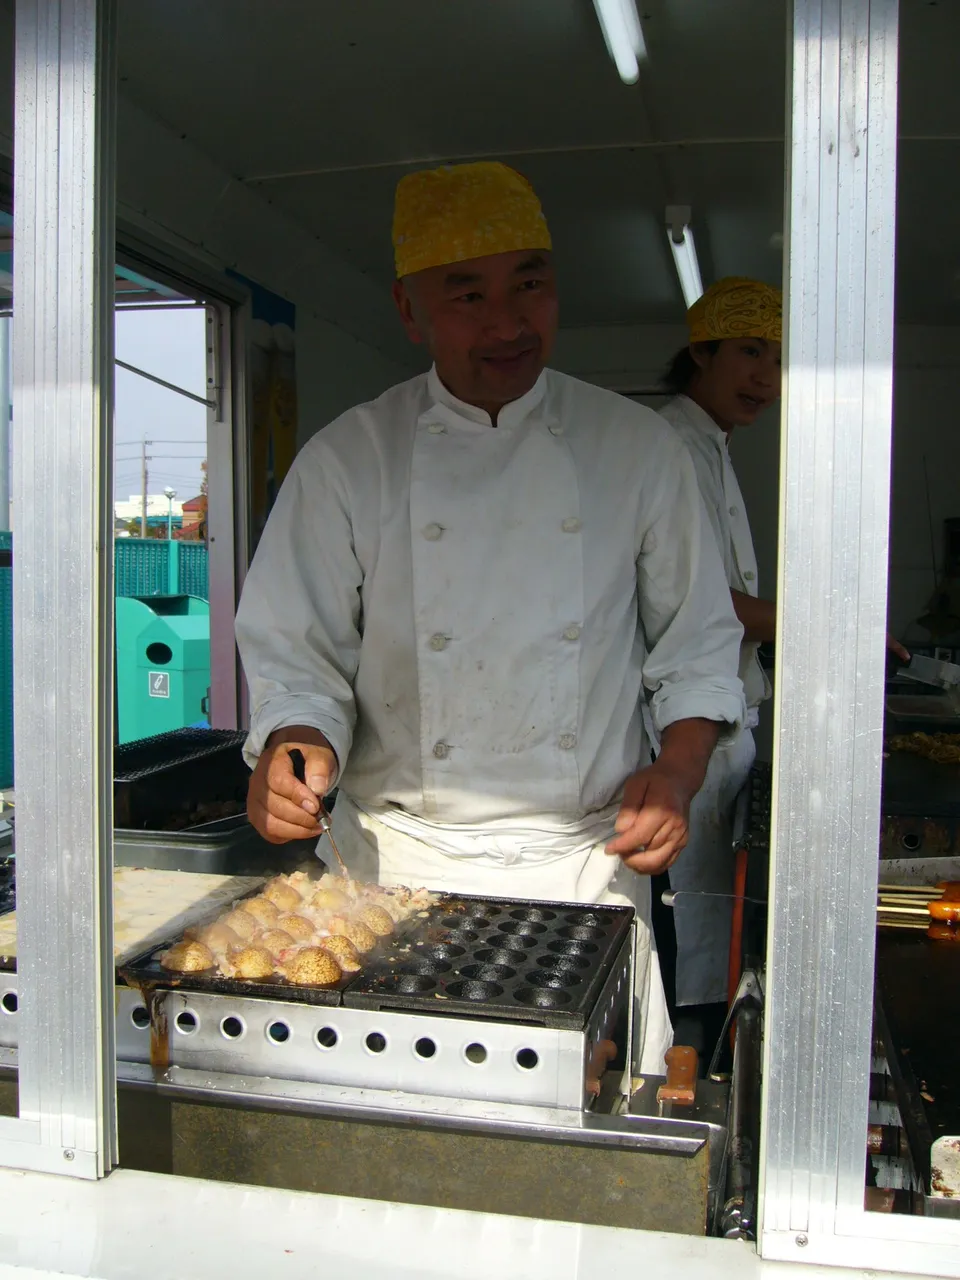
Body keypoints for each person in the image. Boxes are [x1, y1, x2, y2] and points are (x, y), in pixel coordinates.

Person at [235, 161, 747, 1073]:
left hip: (583, 865)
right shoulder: (351, 458)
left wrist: (677, 769)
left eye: (532, 285)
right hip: (389, 870)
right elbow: (297, 648)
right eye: (467, 294)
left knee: (588, 1136)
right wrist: (291, 740)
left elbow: (698, 642)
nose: (509, 322)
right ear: (408, 311)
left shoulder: (638, 449)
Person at [656, 278, 909, 1040]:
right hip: (683, 727)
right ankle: (685, 1064)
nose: (766, 376)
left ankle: (698, 1040)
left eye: (777, 358)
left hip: (725, 720)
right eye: (748, 352)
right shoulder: (672, 445)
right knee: (682, 927)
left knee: (705, 919)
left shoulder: (711, 446)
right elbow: (711, 605)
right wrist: (836, 633)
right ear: (700, 352)